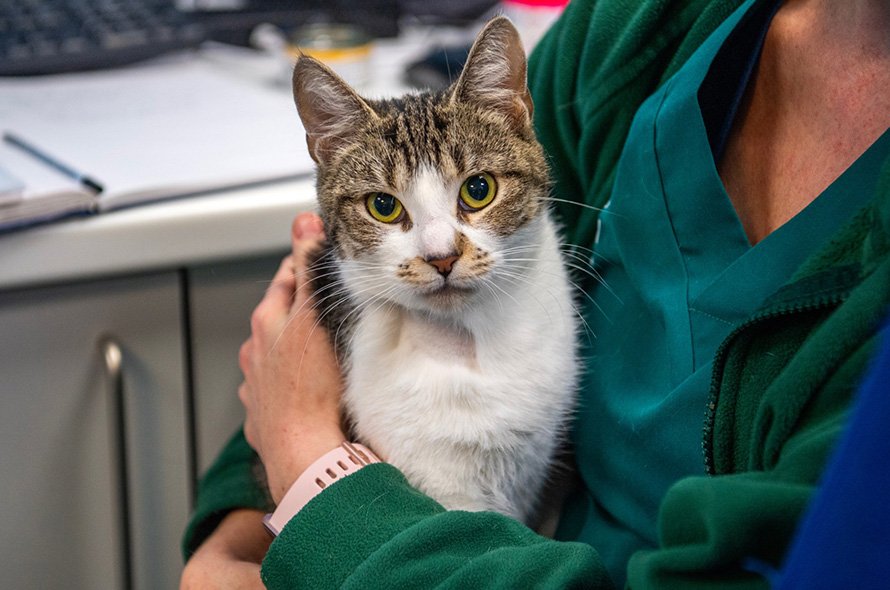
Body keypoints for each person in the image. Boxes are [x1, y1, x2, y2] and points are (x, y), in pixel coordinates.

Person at [180, 0, 890, 587]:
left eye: (476, 193)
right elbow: (289, 371)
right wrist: (231, 539)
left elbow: (297, 438)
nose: (441, 251)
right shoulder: (648, 25)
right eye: (389, 210)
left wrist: (312, 474)